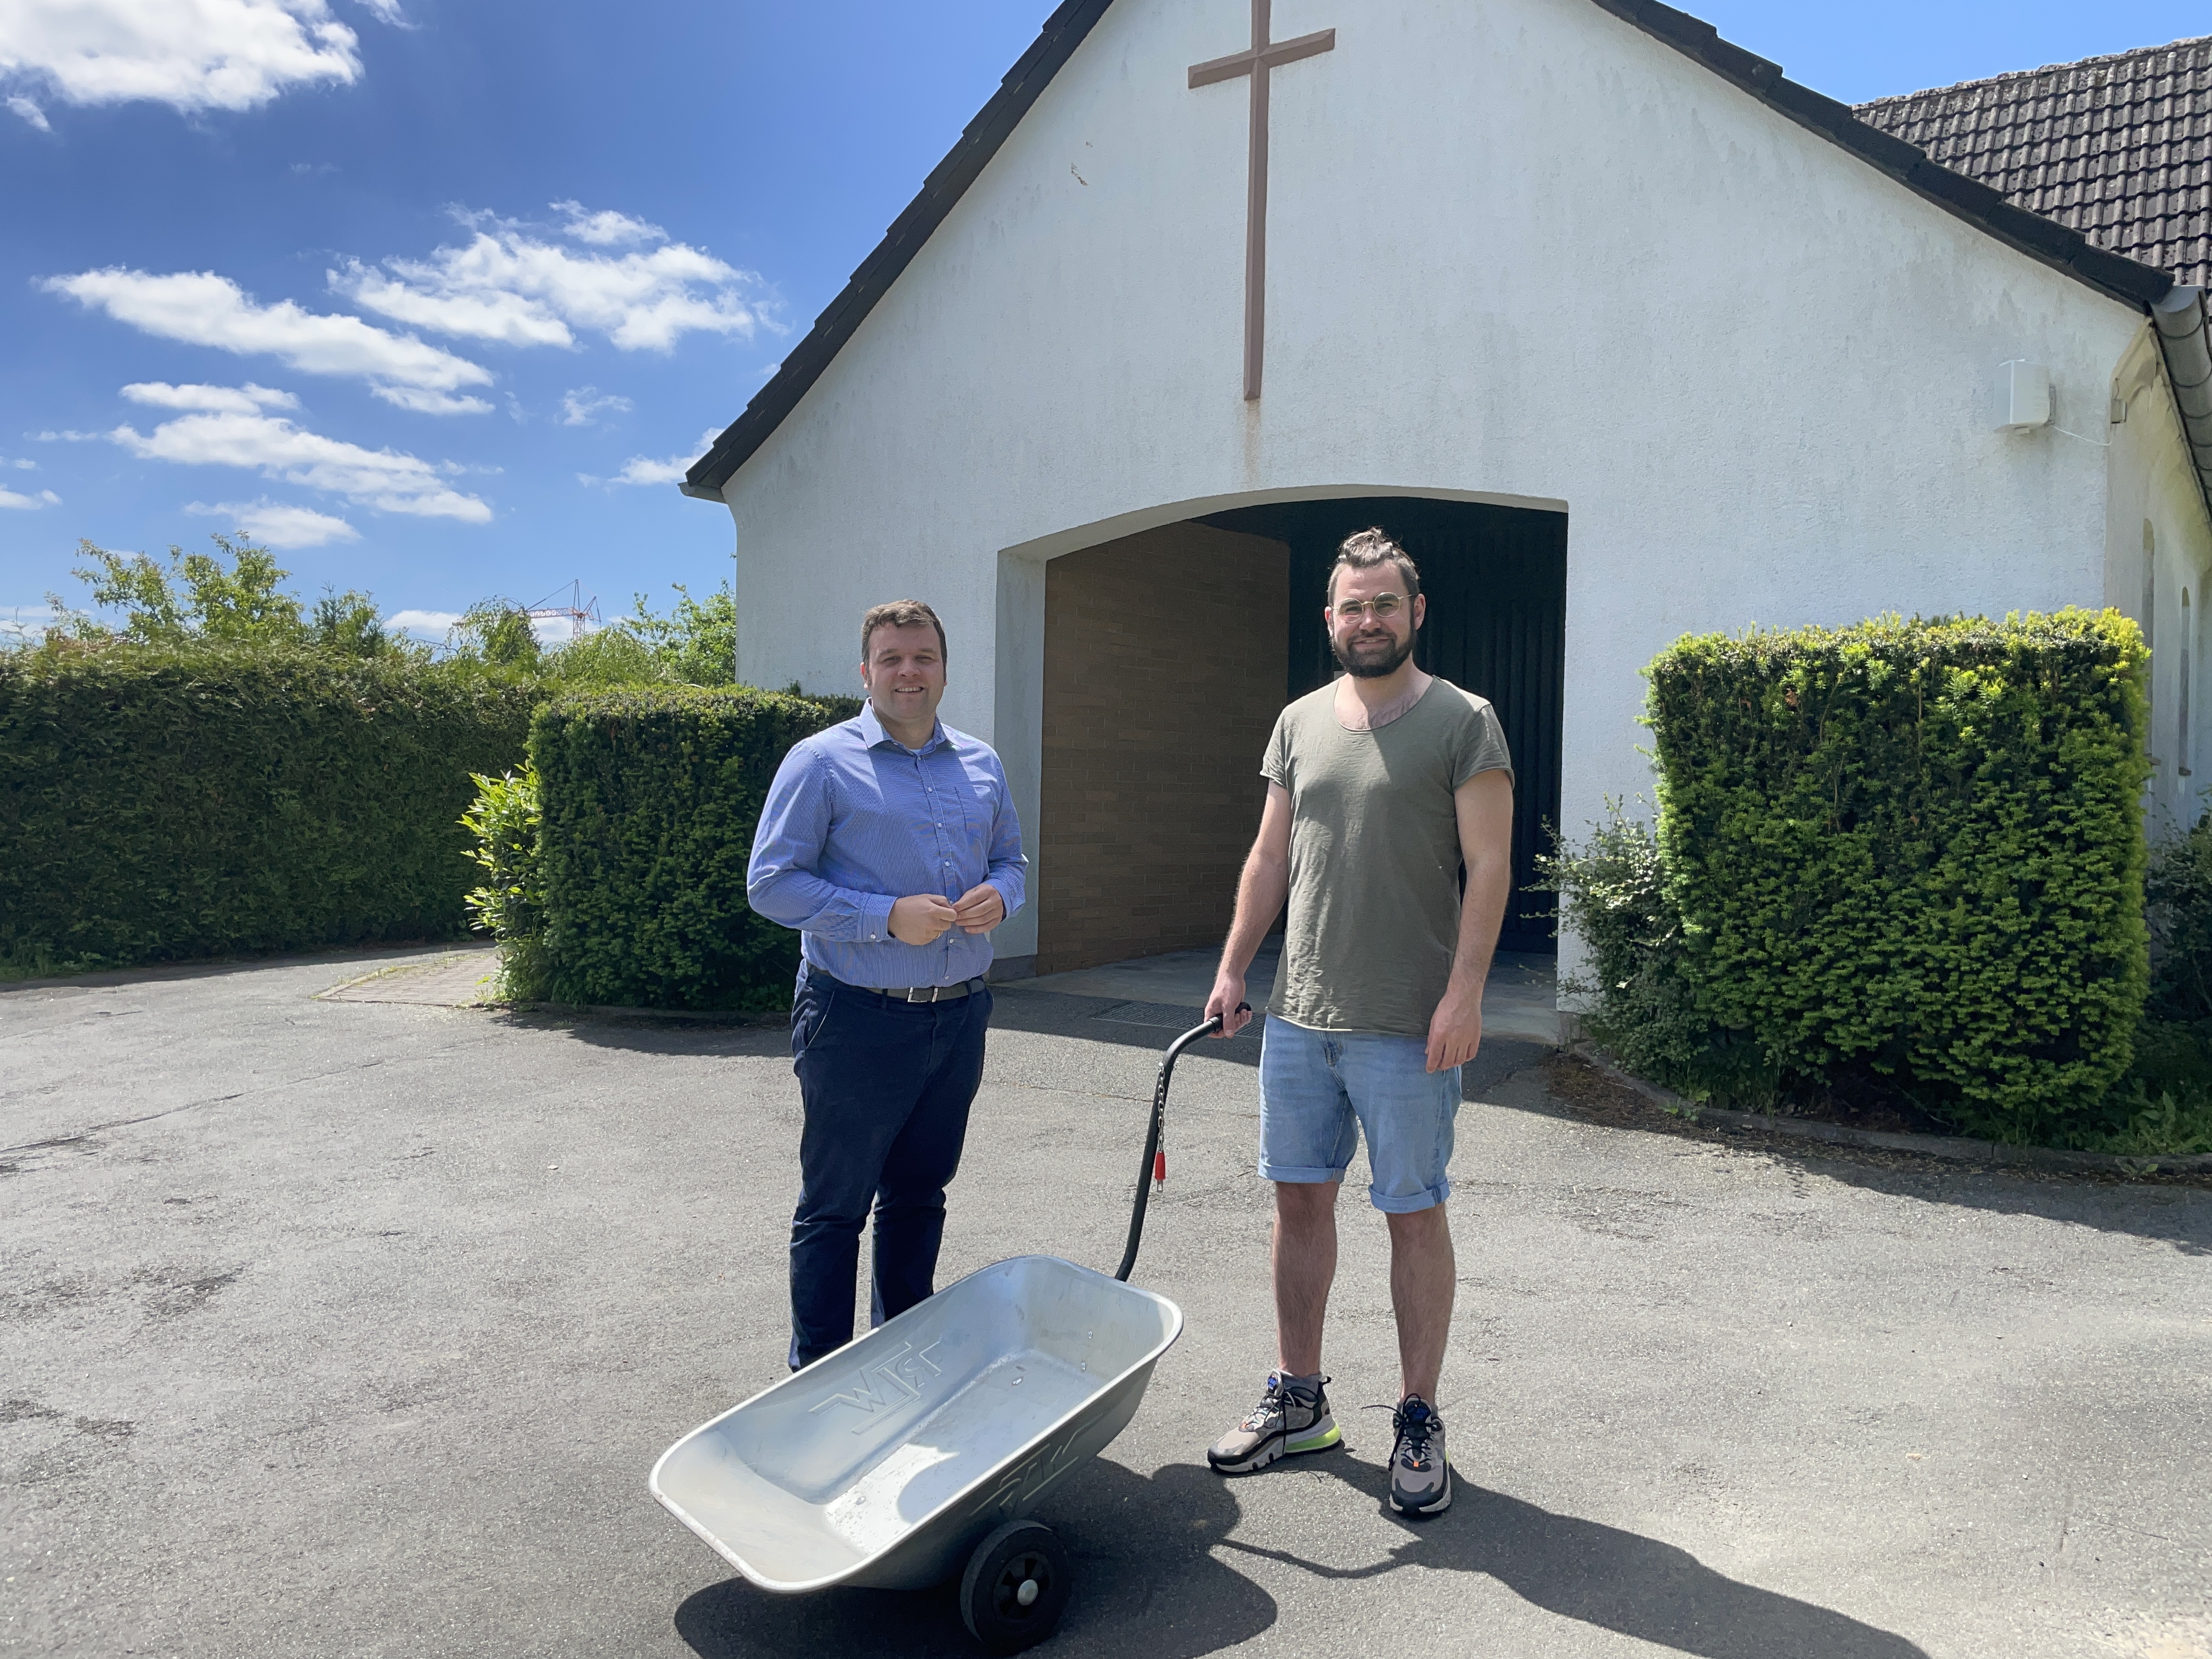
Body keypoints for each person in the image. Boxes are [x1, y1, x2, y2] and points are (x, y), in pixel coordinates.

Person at [1201, 528, 1514, 1517]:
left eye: (1385, 603)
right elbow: (1269, 858)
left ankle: (1418, 1414)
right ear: (1329, 617)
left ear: (1415, 613)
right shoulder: (1297, 722)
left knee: (1412, 1215)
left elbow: (1491, 867)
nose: (1367, 619)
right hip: (1300, 1017)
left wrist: (1466, 995)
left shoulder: (1466, 721)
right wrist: (1233, 965)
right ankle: (1301, 1401)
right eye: (1352, 605)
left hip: (1409, 1025)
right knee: (1299, 1206)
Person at [747, 599, 1026, 1371]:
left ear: (944, 668)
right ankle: (819, 1381)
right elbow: (770, 884)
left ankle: (907, 1360)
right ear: (865, 672)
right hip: (855, 1016)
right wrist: (883, 917)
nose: (909, 672)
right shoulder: (820, 762)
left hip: (960, 1016)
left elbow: (1013, 863)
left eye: (924, 657)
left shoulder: (981, 762)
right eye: (892, 659)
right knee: (835, 1210)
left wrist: (1003, 896)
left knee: (919, 1198)